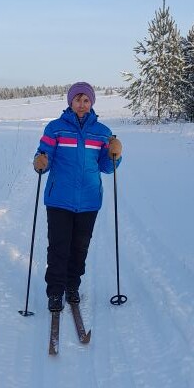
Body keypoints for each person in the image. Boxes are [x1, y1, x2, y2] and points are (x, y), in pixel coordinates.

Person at [33, 82, 123, 312]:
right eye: (77, 100)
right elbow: (44, 157)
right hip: (59, 198)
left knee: (79, 248)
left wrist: (115, 154)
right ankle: (55, 292)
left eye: (86, 100)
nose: (82, 105)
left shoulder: (102, 132)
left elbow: (107, 167)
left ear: (91, 102)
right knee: (58, 248)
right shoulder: (55, 129)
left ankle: (72, 287)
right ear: (70, 102)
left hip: (89, 200)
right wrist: (40, 162)